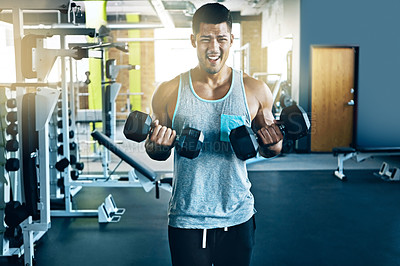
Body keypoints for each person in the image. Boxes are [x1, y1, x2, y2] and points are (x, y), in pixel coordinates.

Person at [145, 3, 283, 266]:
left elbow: (271, 149)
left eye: (221, 39)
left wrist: (273, 143)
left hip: (238, 216)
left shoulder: (255, 90)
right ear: (193, 40)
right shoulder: (169, 91)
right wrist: (158, 145)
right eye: (205, 39)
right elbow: (156, 151)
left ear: (231, 39)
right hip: (187, 217)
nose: (214, 48)